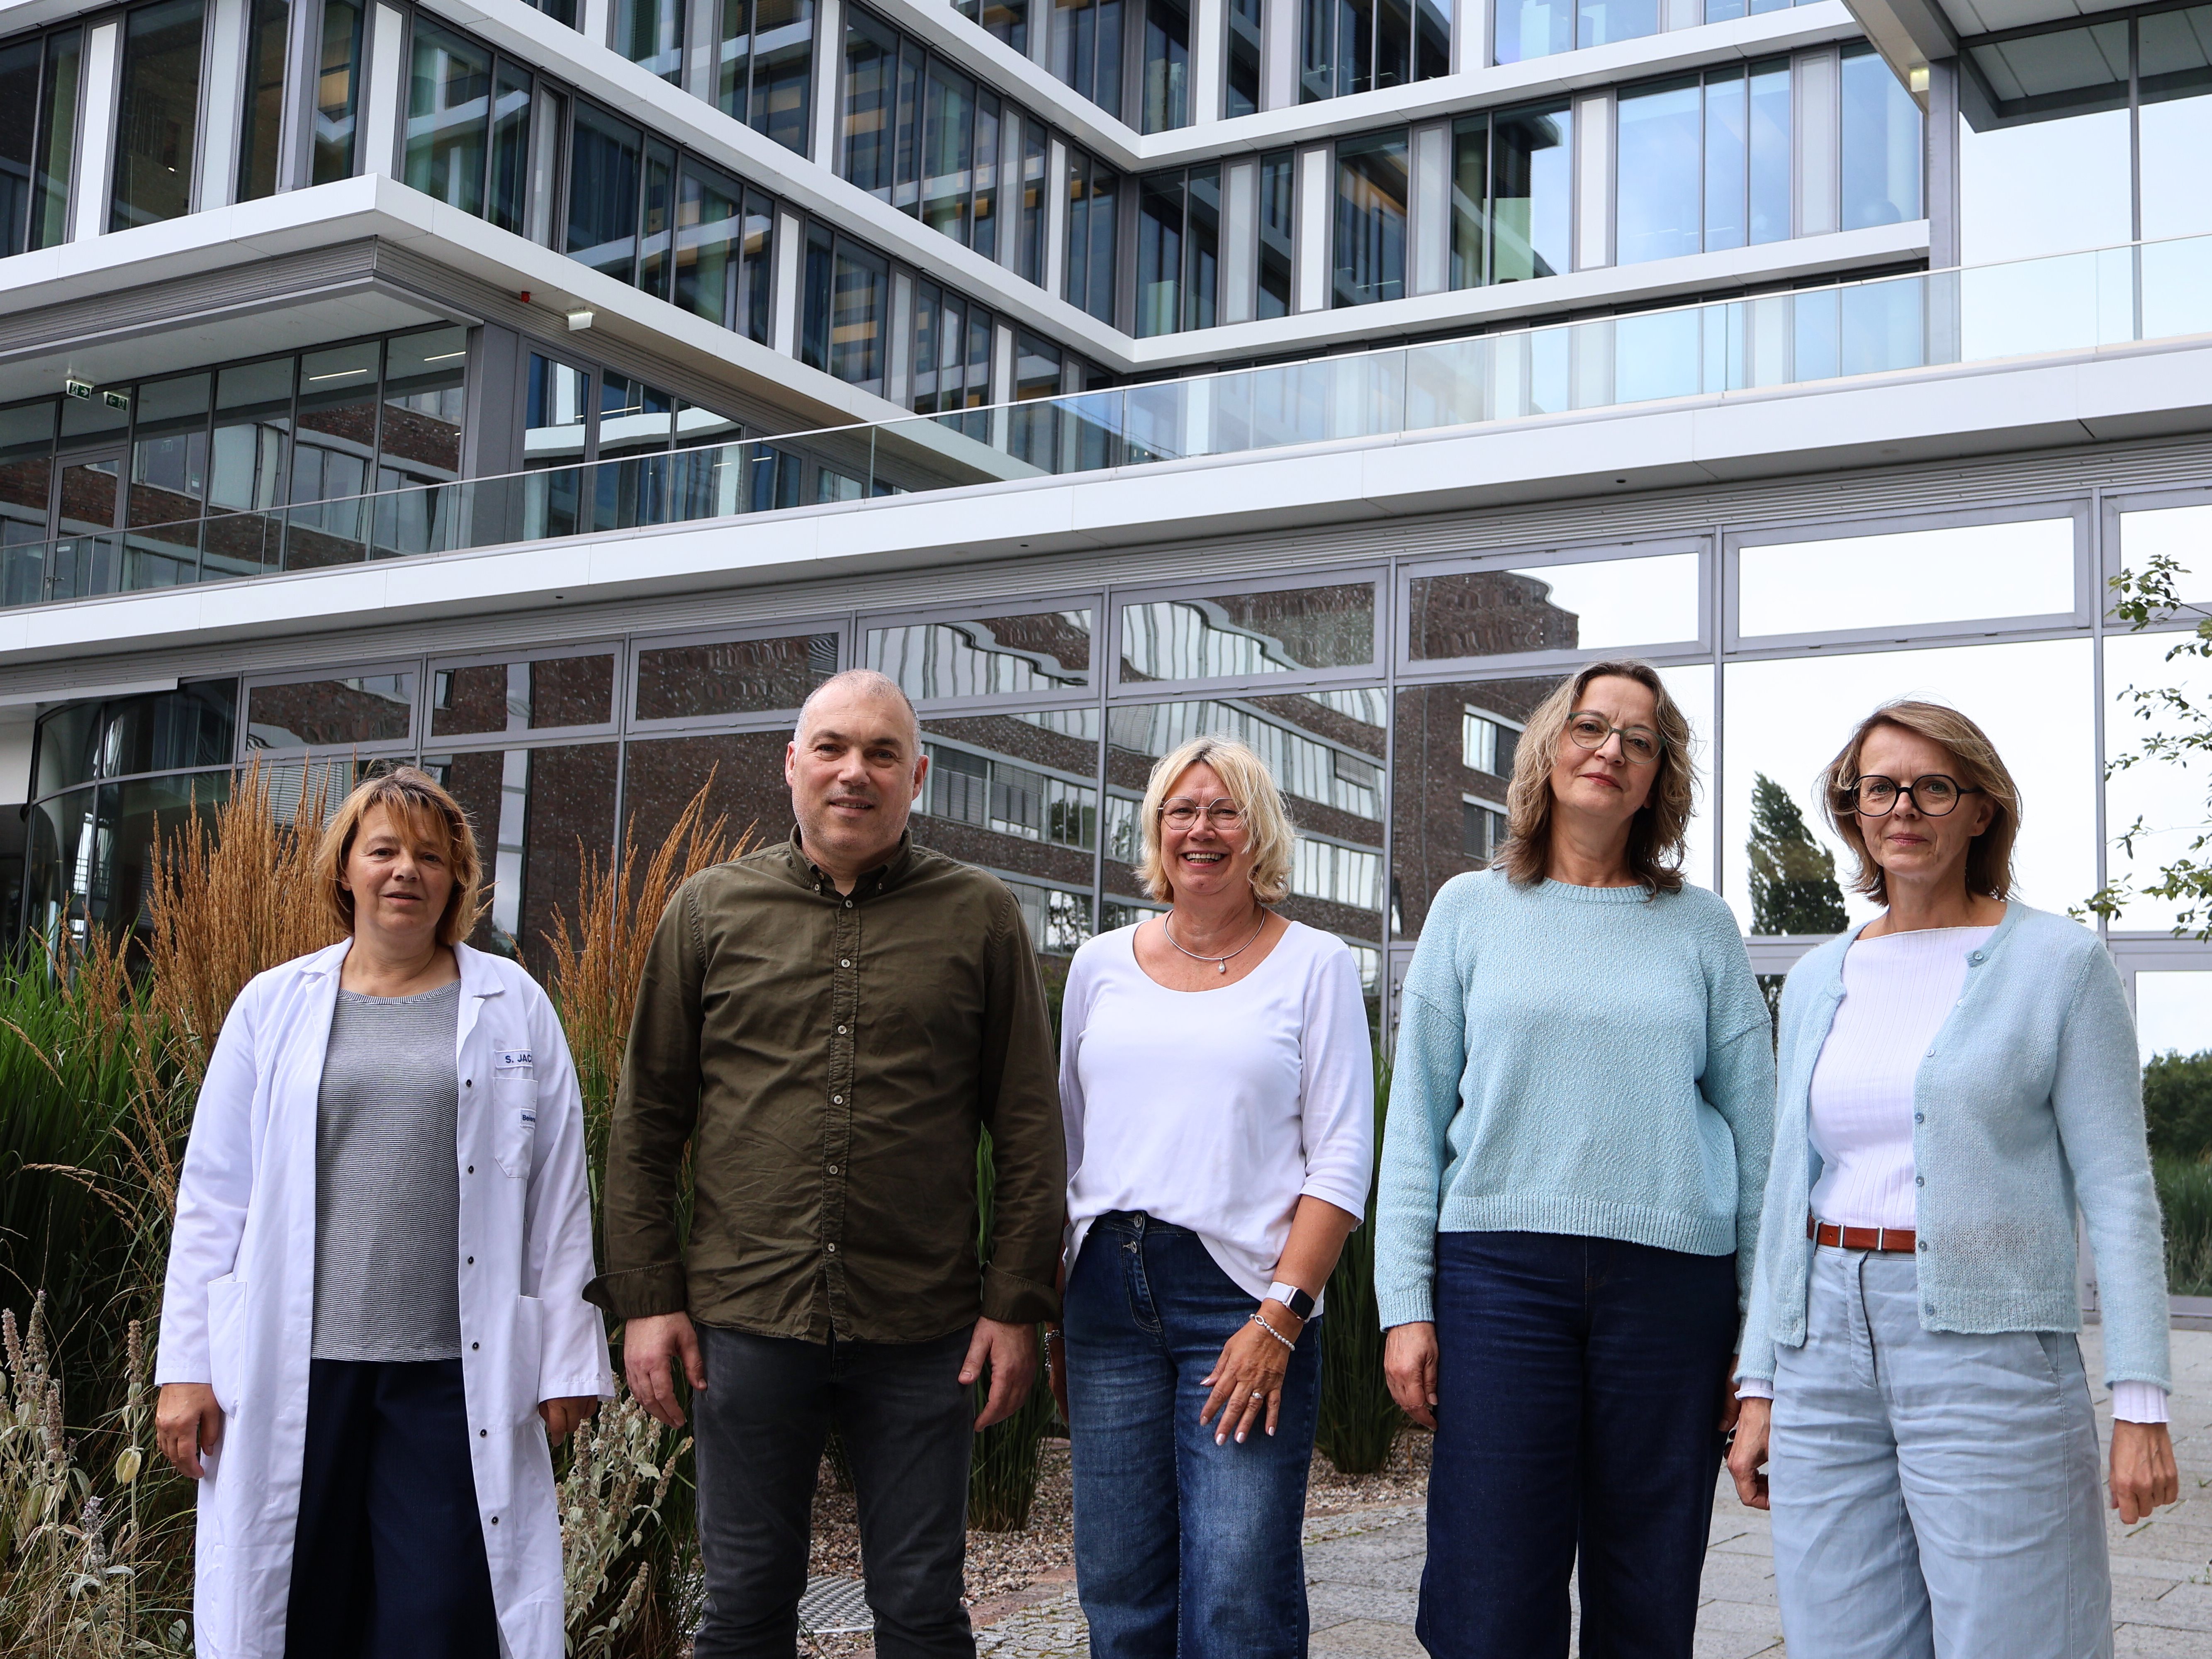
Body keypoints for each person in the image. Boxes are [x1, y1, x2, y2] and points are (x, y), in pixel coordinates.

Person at [592, 668, 1065, 1659]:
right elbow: (645, 1123)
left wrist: (1014, 1303)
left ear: (918, 774)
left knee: (924, 1613)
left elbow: (1028, 1129)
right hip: (746, 1320)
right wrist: (647, 1297)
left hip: (924, 1326)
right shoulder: (707, 910)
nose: (856, 772)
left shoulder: (980, 917)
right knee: (744, 1612)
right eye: (834, 748)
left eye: (882, 753)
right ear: (792, 765)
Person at [1730, 701, 2178, 1657]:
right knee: (1841, 1639)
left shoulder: (2059, 963)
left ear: (1982, 808)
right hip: (1824, 1351)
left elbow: (2120, 1190)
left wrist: (2142, 1399)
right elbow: (1786, 1190)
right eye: (1879, 787)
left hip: (1989, 1350)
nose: (1904, 808)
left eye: (1935, 785)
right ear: (1853, 811)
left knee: (2017, 1636)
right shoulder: (1816, 976)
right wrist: (1761, 1380)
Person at [154, 767, 608, 1659]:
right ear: (346, 872)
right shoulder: (270, 1005)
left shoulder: (513, 1002)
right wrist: (186, 1368)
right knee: (298, 1611)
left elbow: (559, 1193)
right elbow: (214, 1191)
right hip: (296, 1371)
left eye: (431, 856)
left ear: (457, 879)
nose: (407, 870)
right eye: (385, 850)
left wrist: (565, 1358)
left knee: (437, 1618)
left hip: (448, 1377)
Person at [1374, 658, 1775, 1659]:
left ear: (1658, 778)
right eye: (1593, 727)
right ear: (1551, 750)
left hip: (1672, 1285)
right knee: (1490, 1585)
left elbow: (1763, 1146)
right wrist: (1404, 1304)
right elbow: (1415, 1122)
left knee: (1649, 1584)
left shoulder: (1703, 928)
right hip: (1500, 1276)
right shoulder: (1470, 908)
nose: (1612, 750)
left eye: (1640, 740)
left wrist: (1762, 1338)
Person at [1049, 735, 1373, 1659]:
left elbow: (1343, 1157)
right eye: (1182, 810)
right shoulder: (1099, 964)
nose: (1202, 828)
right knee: (1117, 1585)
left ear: (1258, 832)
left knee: (1237, 1592)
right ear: (1158, 831)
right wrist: (1055, 1313)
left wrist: (1281, 1317)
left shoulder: (1315, 964)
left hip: (1240, 1298)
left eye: (1225, 810)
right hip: (1105, 1297)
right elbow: (1070, 1144)